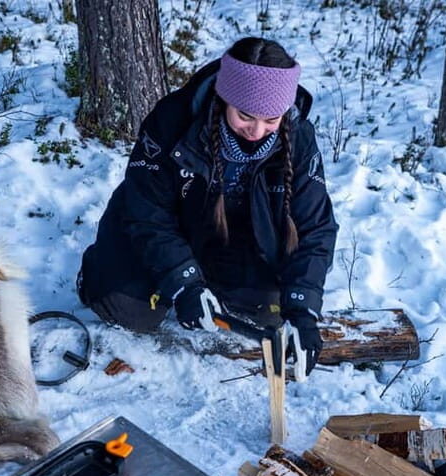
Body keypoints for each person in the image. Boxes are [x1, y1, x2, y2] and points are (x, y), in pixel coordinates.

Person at [77, 37, 338, 378]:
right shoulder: (172, 121)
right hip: (171, 228)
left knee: (265, 316)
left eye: (271, 119)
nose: (257, 131)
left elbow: (314, 227)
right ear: (224, 98)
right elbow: (146, 212)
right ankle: (98, 273)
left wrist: (303, 310)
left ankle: (212, 285)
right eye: (245, 116)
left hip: (239, 239)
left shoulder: (299, 137)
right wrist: (184, 281)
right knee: (127, 309)